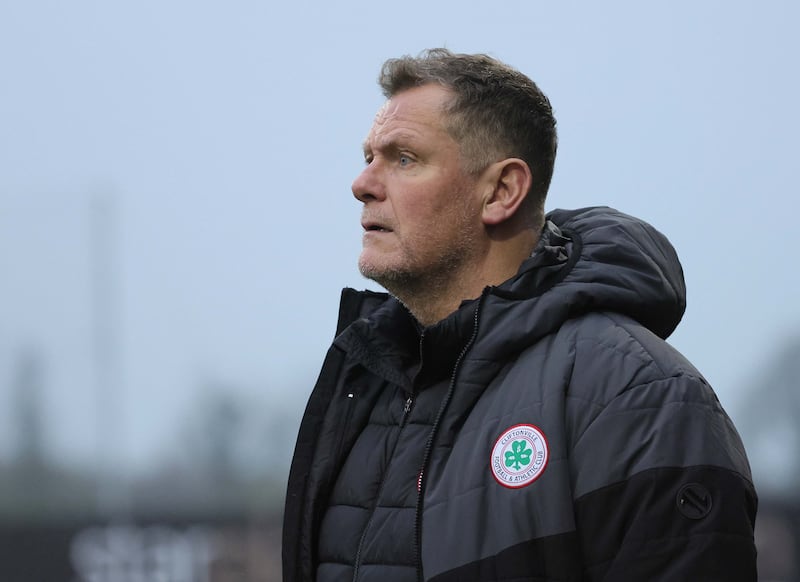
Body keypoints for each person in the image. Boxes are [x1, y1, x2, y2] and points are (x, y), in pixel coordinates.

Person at [282, 48, 757, 581]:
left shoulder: (637, 396)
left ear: (502, 191)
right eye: (369, 156)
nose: (362, 184)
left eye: (404, 159)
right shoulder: (365, 387)